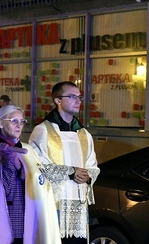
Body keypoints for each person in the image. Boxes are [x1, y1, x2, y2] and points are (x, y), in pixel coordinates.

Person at [28, 81, 100, 243]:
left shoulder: (84, 134)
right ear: (57, 100)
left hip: (79, 206)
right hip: (54, 204)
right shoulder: (43, 130)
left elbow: (93, 166)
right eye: (72, 96)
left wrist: (87, 175)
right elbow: (37, 166)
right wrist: (70, 172)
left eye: (79, 97)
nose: (78, 100)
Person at [0, 104, 61, 244]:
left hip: (29, 219)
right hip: (5, 218)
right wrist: (9, 161)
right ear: (1, 123)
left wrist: (18, 165)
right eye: (14, 120)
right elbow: (0, 190)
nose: (19, 125)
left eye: (22, 121)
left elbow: (39, 184)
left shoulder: (28, 150)